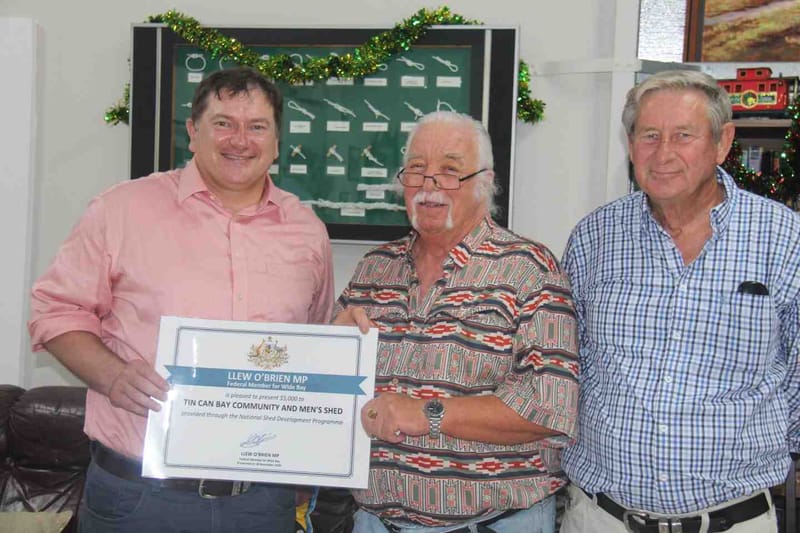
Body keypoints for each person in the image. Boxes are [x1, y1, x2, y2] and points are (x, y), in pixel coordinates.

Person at [28, 67, 334, 532]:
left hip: (261, 502)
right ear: (193, 132)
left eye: (257, 127)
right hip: (139, 496)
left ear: (276, 142)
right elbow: (54, 311)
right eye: (223, 123)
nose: (240, 140)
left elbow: (312, 342)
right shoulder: (122, 210)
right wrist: (111, 375)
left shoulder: (307, 231)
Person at [560, 69, 800, 533]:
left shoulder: (783, 237)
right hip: (601, 518)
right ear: (630, 145)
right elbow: (570, 358)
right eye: (649, 136)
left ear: (723, 142)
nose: (663, 154)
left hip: (734, 521)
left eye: (683, 136)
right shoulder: (595, 236)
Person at [333, 111, 579, 532]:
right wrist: (329, 350)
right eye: (417, 170)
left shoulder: (530, 269)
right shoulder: (373, 269)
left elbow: (551, 408)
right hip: (376, 523)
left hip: (493, 524)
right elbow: (329, 395)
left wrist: (427, 414)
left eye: (449, 171)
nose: (429, 186)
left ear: (485, 181)